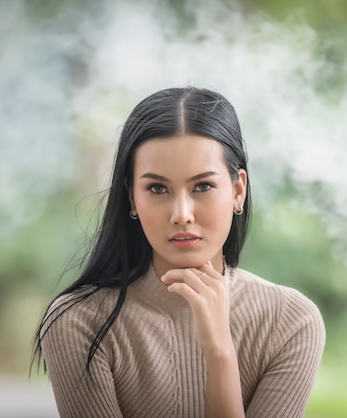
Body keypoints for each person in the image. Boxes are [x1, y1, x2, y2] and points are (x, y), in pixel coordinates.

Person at [33, 86, 325, 418]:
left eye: (203, 186)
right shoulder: (79, 321)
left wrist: (219, 352)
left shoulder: (291, 321)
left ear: (238, 190)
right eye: (157, 188)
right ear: (132, 198)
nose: (182, 213)